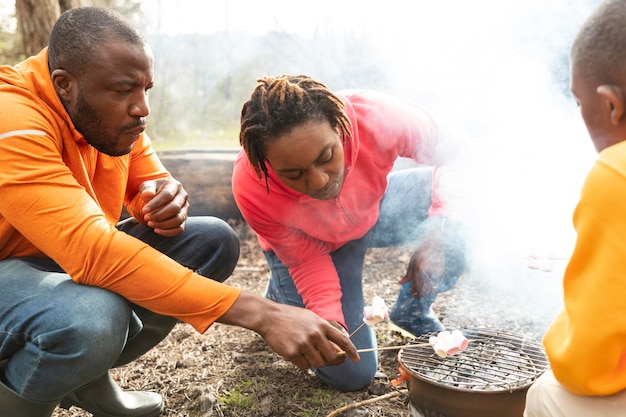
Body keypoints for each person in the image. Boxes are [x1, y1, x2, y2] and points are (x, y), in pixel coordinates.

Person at [0, 7, 359, 417]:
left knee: (211, 240)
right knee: (93, 317)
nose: (142, 108)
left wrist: (162, 199)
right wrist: (263, 314)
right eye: (124, 91)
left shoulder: (102, 111)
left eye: (146, 89)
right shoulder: (12, 120)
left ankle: (84, 378)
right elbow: (92, 253)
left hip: (49, 258)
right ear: (65, 85)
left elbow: (148, 181)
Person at [232, 74, 468, 391]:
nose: (318, 182)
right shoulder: (252, 186)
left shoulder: (379, 116)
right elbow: (306, 260)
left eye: (326, 157)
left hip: (372, 209)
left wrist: (441, 230)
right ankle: (282, 292)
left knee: (466, 207)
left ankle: (413, 309)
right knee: (350, 371)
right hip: (312, 247)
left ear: (339, 126)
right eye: (294, 174)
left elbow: (458, 153)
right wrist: (330, 322)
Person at [523, 1, 626, 415]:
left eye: (577, 101)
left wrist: (568, 317)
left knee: (546, 395)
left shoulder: (614, 174)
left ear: (611, 105)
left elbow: (587, 366)